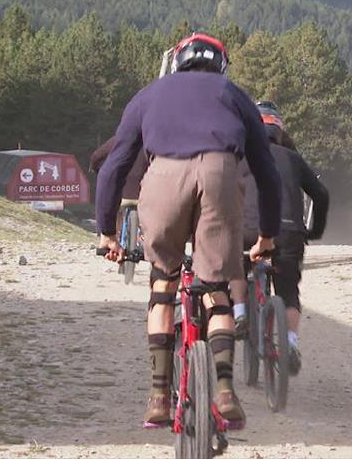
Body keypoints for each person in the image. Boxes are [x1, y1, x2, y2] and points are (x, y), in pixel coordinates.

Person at [95, 32, 281, 428]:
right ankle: (226, 390)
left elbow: (113, 166)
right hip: (220, 173)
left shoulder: (149, 94)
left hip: (164, 176)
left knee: (162, 284)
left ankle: (159, 397)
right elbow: (267, 172)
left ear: (178, 62)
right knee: (217, 288)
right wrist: (266, 234)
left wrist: (106, 231)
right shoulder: (233, 94)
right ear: (221, 64)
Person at [240, 103, 329, 375]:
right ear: (279, 132)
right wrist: (314, 231)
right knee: (288, 291)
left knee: (236, 271)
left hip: (248, 232)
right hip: (290, 233)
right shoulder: (292, 158)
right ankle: (289, 343)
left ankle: (240, 312)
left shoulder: (241, 156)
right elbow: (321, 194)